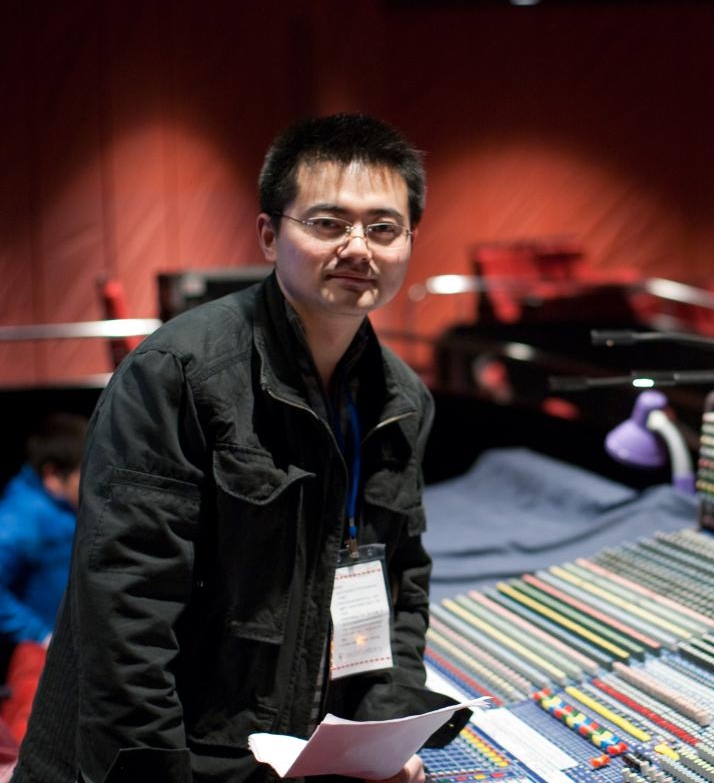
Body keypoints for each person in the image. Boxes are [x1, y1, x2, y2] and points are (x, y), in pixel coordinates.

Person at [15, 114, 468, 783]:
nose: (357, 248)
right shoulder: (177, 373)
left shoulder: (401, 399)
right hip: (173, 760)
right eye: (327, 223)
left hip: (298, 757)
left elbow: (398, 580)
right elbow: (127, 614)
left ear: (409, 241)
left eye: (382, 228)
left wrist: (379, 733)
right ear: (268, 234)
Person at [0, 413, 88, 649]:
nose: (93, 482)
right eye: (85, 472)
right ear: (52, 475)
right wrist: (41, 636)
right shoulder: (22, 516)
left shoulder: (65, 507)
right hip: (42, 659)